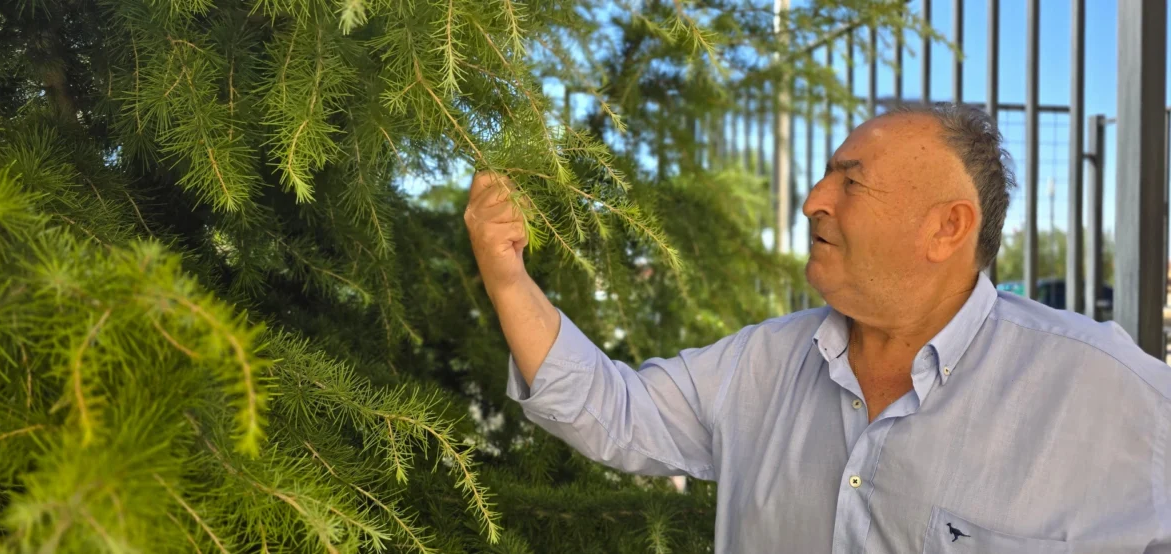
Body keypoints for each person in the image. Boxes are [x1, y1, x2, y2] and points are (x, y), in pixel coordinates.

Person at [463, 104, 1171, 553]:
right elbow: (613, 411)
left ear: (946, 228)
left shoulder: (1109, 396)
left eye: (850, 182)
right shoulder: (761, 364)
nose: (812, 200)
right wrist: (507, 276)